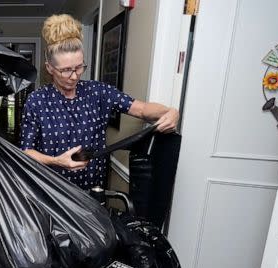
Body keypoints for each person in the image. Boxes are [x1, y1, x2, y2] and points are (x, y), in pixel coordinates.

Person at [20, 14, 180, 190]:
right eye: (65, 70)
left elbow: (142, 109)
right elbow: (26, 151)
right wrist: (56, 161)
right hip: (53, 193)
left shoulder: (99, 92)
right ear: (49, 67)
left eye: (79, 67)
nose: (74, 76)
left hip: (94, 192)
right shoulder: (36, 101)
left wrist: (171, 111)